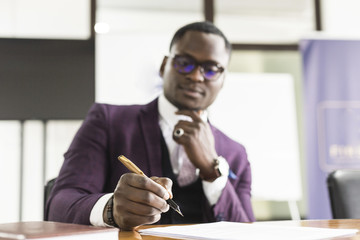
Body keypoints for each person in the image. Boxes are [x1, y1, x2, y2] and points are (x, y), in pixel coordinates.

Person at [45, 21, 255, 230]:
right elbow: (59, 205)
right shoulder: (108, 121)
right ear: (164, 66)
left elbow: (246, 233)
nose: (195, 76)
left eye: (210, 69)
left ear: (223, 79)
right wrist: (111, 209)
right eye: (184, 63)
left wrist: (212, 171)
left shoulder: (236, 154)